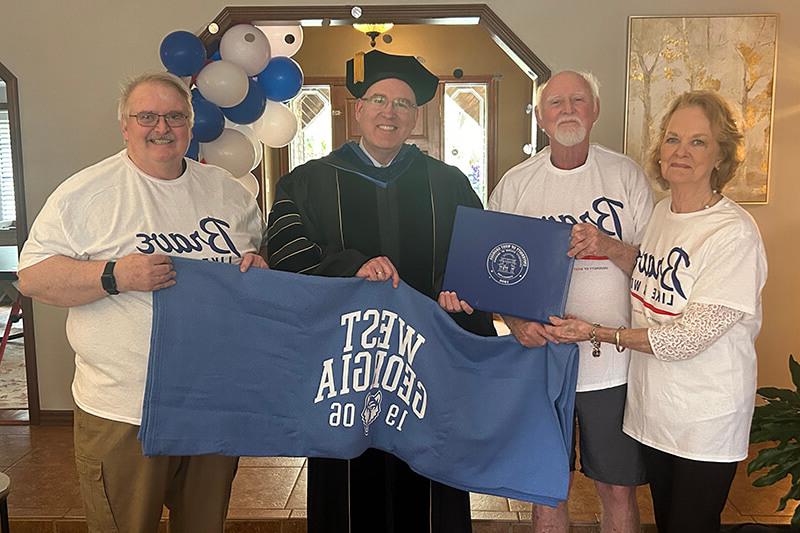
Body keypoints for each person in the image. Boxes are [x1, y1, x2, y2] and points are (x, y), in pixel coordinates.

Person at [17, 72, 267, 533]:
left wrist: (257, 270)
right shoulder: (86, 193)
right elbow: (32, 277)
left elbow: (250, 273)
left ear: (191, 125)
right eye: (147, 116)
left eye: (175, 116)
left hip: (209, 402)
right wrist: (114, 275)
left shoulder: (230, 194)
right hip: (123, 409)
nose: (162, 127)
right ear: (124, 126)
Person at [267, 49, 495, 533]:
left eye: (403, 104)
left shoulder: (448, 183)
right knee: (349, 482)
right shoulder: (307, 182)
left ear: (416, 116)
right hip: (345, 365)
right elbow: (285, 255)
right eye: (379, 100)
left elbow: (478, 257)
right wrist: (351, 267)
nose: (389, 112)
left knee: (430, 475)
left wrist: (457, 291)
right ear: (358, 109)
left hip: (424, 366)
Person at [547, 90, 767, 533]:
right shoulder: (665, 212)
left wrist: (594, 332)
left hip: (704, 419)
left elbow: (682, 339)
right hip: (657, 411)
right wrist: (607, 245)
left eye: (698, 142)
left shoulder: (733, 234)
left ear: (721, 155)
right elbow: (653, 269)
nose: (680, 152)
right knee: (667, 520)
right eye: (672, 139)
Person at [452, 71, 654, 533]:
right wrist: (516, 321)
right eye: (556, 103)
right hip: (541, 363)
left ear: (595, 110)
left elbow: (656, 268)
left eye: (578, 100)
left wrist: (610, 246)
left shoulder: (626, 176)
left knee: (617, 488)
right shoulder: (517, 183)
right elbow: (491, 274)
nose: (567, 110)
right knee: (545, 488)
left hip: (613, 366)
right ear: (541, 118)